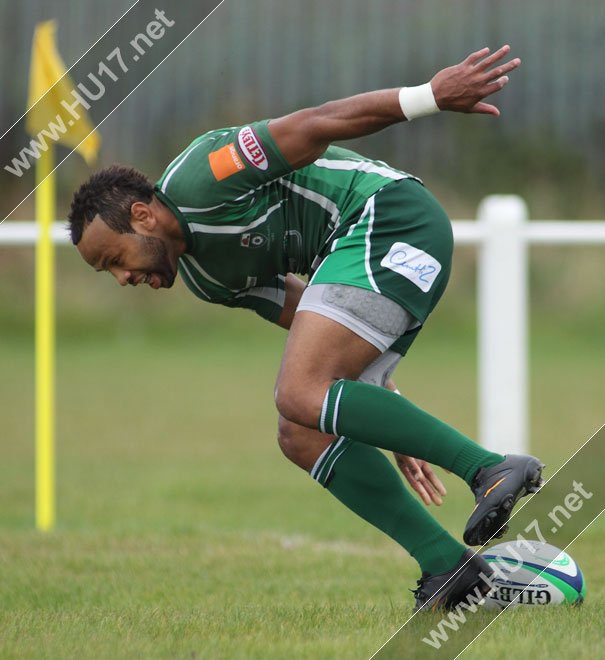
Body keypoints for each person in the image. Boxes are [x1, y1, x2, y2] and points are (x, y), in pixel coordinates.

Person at [68, 45, 544, 611]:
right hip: (368, 253)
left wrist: (429, 97)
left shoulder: (203, 175)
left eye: (113, 259)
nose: (121, 278)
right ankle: (449, 568)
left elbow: (314, 125)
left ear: (142, 215)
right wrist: (386, 417)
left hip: (391, 217)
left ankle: (489, 468)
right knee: (301, 430)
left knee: (298, 393)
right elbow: (312, 327)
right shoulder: (207, 280)